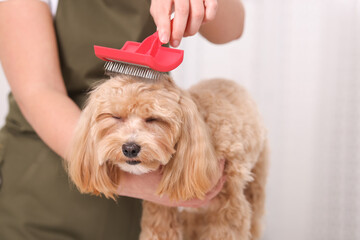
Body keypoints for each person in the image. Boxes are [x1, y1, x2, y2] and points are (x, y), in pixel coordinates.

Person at [0, 0, 245, 239]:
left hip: (142, 200)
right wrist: (130, 182)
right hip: (46, 186)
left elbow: (231, 28)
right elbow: (39, 91)